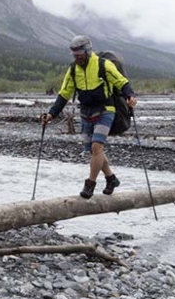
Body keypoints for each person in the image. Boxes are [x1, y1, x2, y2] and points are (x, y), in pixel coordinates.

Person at [41, 35, 138, 198]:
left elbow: (121, 82)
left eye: (79, 54)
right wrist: (51, 114)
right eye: (74, 55)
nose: (77, 57)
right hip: (86, 112)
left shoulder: (103, 65)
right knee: (95, 151)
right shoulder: (73, 69)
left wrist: (130, 96)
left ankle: (90, 185)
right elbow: (64, 94)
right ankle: (111, 178)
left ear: (87, 51)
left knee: (96, 148)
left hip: (106, 110)